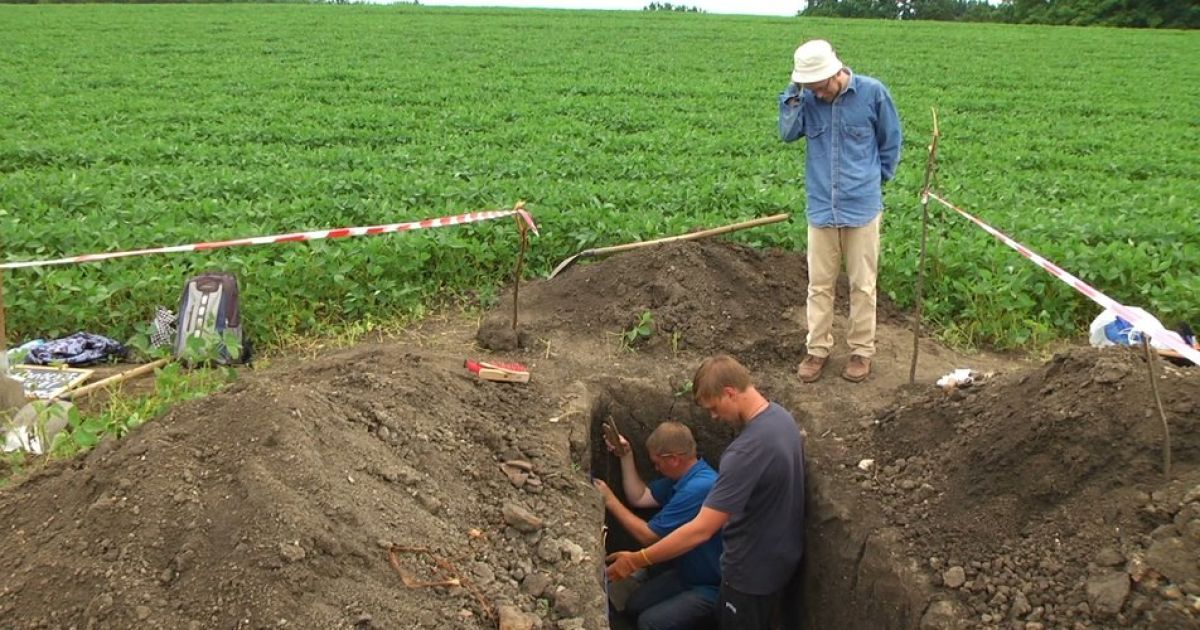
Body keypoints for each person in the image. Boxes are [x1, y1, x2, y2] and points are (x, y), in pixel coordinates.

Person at [606, 355, 806, 630]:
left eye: (714, 407)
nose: (714, 417)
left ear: (730, 392)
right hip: (779, 557)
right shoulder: (781, 420)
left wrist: (636, 559)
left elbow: (701, 530)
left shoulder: (744, 452)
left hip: (749, 573)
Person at [779, 39, 902, 383]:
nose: (816, 93)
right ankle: (817, 349)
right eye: (810, 87)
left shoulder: (873, 93)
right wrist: (794, 92)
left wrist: (874, 182)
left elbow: (890, 141)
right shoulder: (805, 99)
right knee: (819, 285)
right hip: (821, 207)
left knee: (863, 284)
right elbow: (787, 133)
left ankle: (861, 352)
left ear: (835, 73)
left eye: (819, 86)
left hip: (861, 206)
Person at [594, 421, 723, 630]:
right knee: (634, 606)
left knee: (649, 623)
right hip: (686, 574)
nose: (656, 468)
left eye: (657, 463)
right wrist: (626, 457)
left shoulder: (700, 488)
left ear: (673, 459)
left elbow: (649, 536)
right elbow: (640, 497)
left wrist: (609, 500)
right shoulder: (683, 477)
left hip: (711, 585)